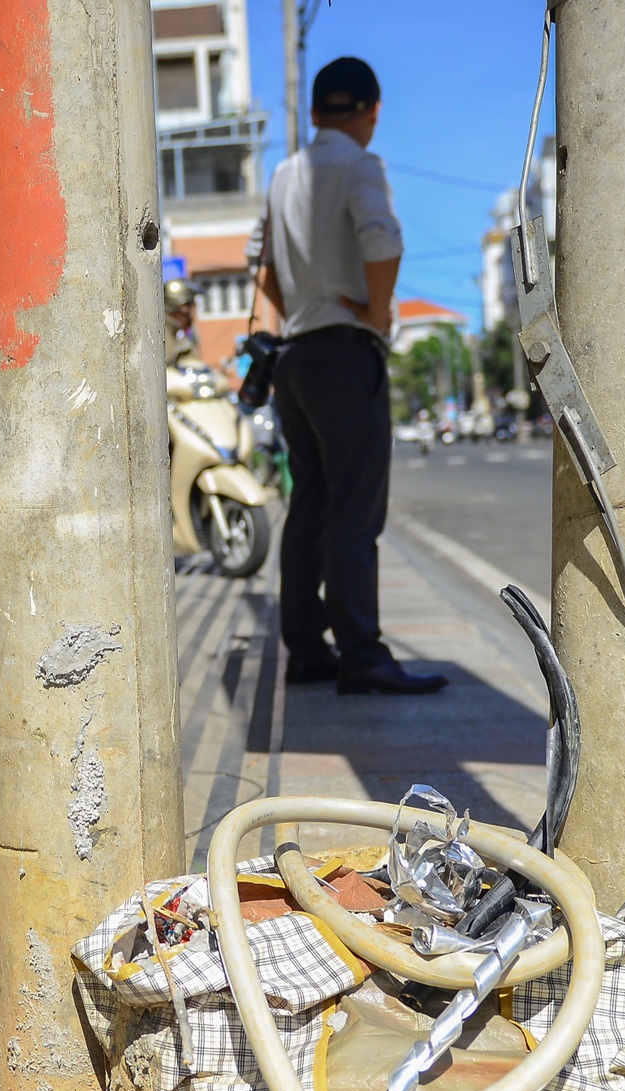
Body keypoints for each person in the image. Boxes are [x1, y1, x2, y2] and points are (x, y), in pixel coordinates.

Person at [254, 56, 446, 695]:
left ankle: (307, 650)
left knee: (310, 503)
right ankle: (362, 654)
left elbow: (266, 274)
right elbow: (383, 241)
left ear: (313, 112)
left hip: (297, 357)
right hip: (344, 349)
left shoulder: (282, 176)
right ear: (373, 111)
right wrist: (378, 311)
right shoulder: (362, 164)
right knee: (356, 508)